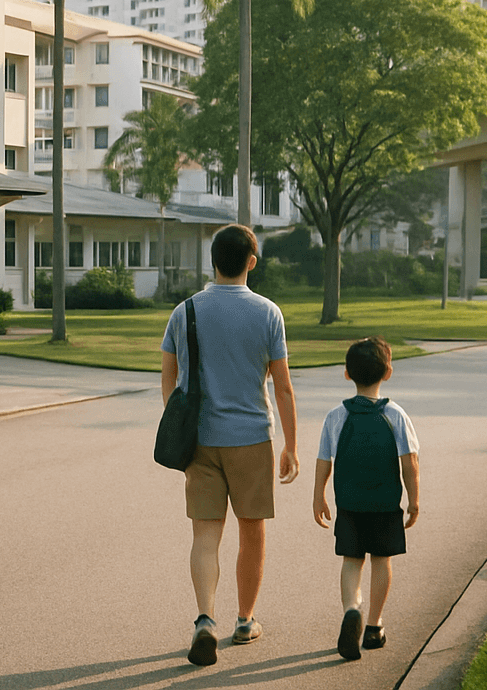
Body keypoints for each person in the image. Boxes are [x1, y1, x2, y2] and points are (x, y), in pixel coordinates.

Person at [161, 223, 299, 667]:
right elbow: (283, 388)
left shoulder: (185, 311)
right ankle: (245, 619)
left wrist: (180, 424)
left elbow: (170, 378)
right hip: (252, 439)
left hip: (200, 441)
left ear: (213, 261)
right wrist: (291, 446)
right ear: (251, 262)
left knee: (205, 534)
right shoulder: (268, 313)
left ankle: (205, 619)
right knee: (252, 531)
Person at [311, 336, 421, 661]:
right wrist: (414, 501)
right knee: (381, 561)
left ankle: (351, 610)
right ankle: (373, 626)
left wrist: (318, 496)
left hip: (348, 505)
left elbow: (323, 461)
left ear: (347, 373)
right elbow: (409, 462)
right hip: (386, 505)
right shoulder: (396, 415)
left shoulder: (336, 417)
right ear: (388, 372)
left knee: (351, 561)